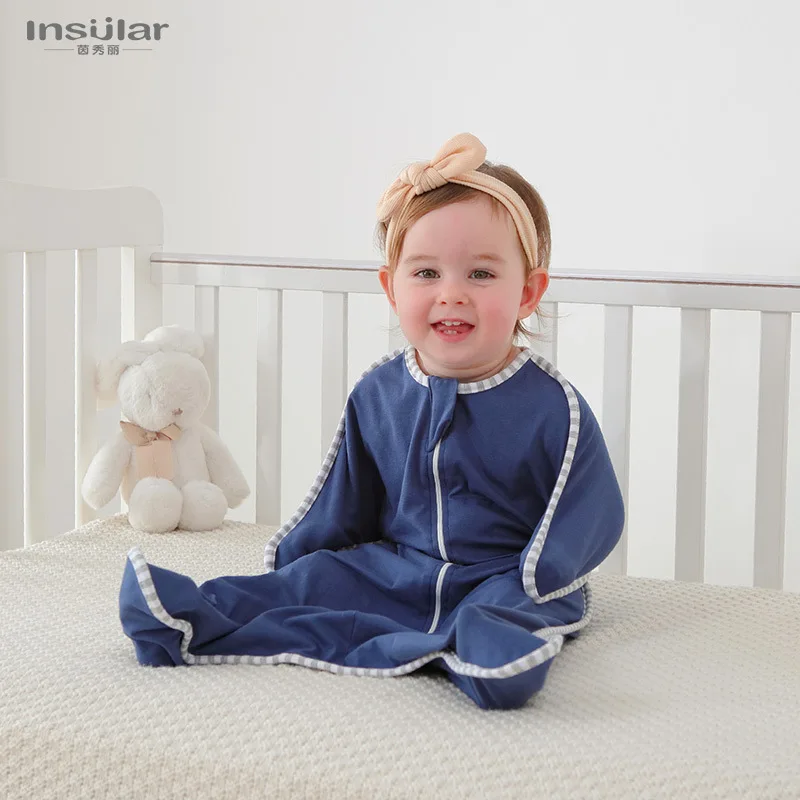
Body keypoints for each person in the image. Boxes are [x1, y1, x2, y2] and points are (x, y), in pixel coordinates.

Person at [119, 133, 625, 710]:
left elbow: (588, 507)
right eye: (426, 273)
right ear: (391, 287)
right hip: (397, 566)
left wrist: (542, 574)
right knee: (313, 582)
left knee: (501, 609)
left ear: (528, 291)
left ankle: (491, 657)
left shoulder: (552, 405)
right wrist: (306, 557)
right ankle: (190, 616)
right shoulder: (379, 391)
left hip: (500, 573)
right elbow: (348, 493)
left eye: (481, 274)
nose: (451, 294)